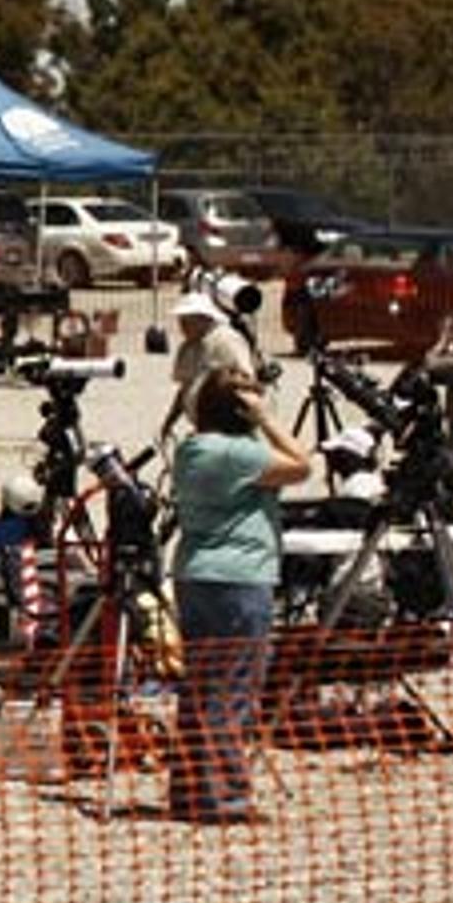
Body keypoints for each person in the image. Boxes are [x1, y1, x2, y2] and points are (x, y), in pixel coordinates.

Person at [166, 366, 311, 824]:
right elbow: (302, 464)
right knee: (233, 691)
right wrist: (266, 419)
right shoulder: (238, 454)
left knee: (200, 689)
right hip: (240, 579)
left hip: (197, 575)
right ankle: (224, 796)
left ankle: (190, 790)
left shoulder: (192, 448)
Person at [154, 285, 262, 449]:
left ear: (203, 318)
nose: (182, 326)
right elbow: (185, 388)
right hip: (203, 429)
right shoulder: (187, 347)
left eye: (187, 321)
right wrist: (169, 422)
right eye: (181, 321)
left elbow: (247, 381)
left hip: (228, 431)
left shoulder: (226, 340)